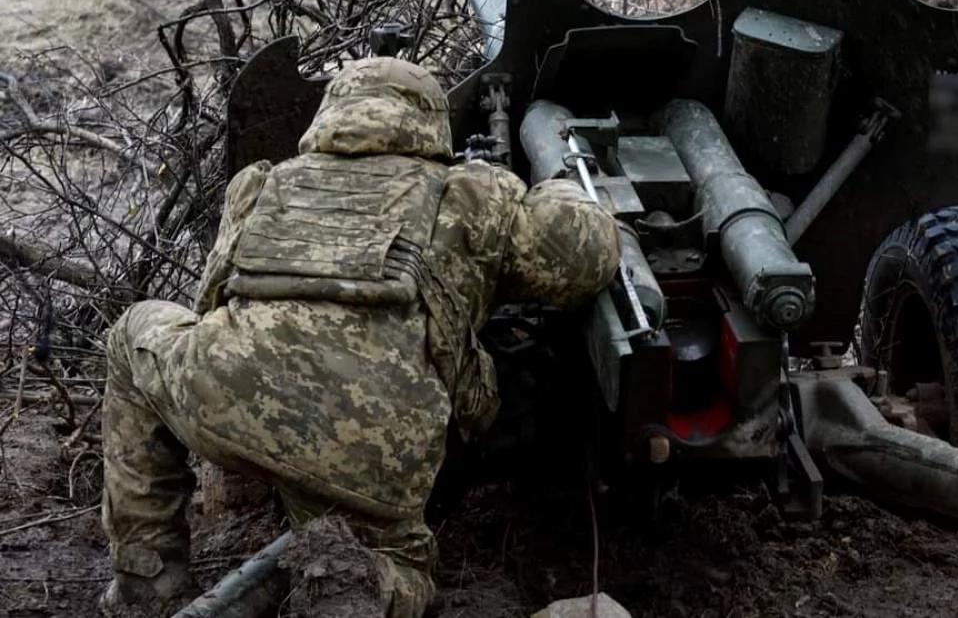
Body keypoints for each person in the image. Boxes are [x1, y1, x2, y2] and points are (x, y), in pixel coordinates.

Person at [99, 56, 621, 617]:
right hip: (376, 446)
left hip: (226, 396)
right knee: (399, 564)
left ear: (331, 113)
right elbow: (581, 260)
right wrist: (563, 185)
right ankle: (362, 585)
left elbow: (210, 303)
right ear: (428, 122)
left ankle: (146, 580)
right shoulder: (473, 193)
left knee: (133, 334)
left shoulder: (261, 184)